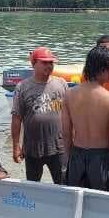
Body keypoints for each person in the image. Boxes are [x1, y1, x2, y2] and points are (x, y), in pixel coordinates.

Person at [62, 46, 109, 192]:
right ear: (103, 69)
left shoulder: (69, 95)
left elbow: (66, 134)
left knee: (77, 207)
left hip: (76, 157)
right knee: (103, 208)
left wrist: (69, 162)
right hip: (101, 160)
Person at [11, 47, 68, 184]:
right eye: (44, 62)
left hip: (59, 147)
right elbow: (17, 118)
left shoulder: (61, 84)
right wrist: (16, 146)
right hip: (32, 149)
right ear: (33, 64)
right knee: (32, 186)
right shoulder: (22, 87)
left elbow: (70, 114)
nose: (49, 66)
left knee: (64, 186)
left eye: (51, 62)